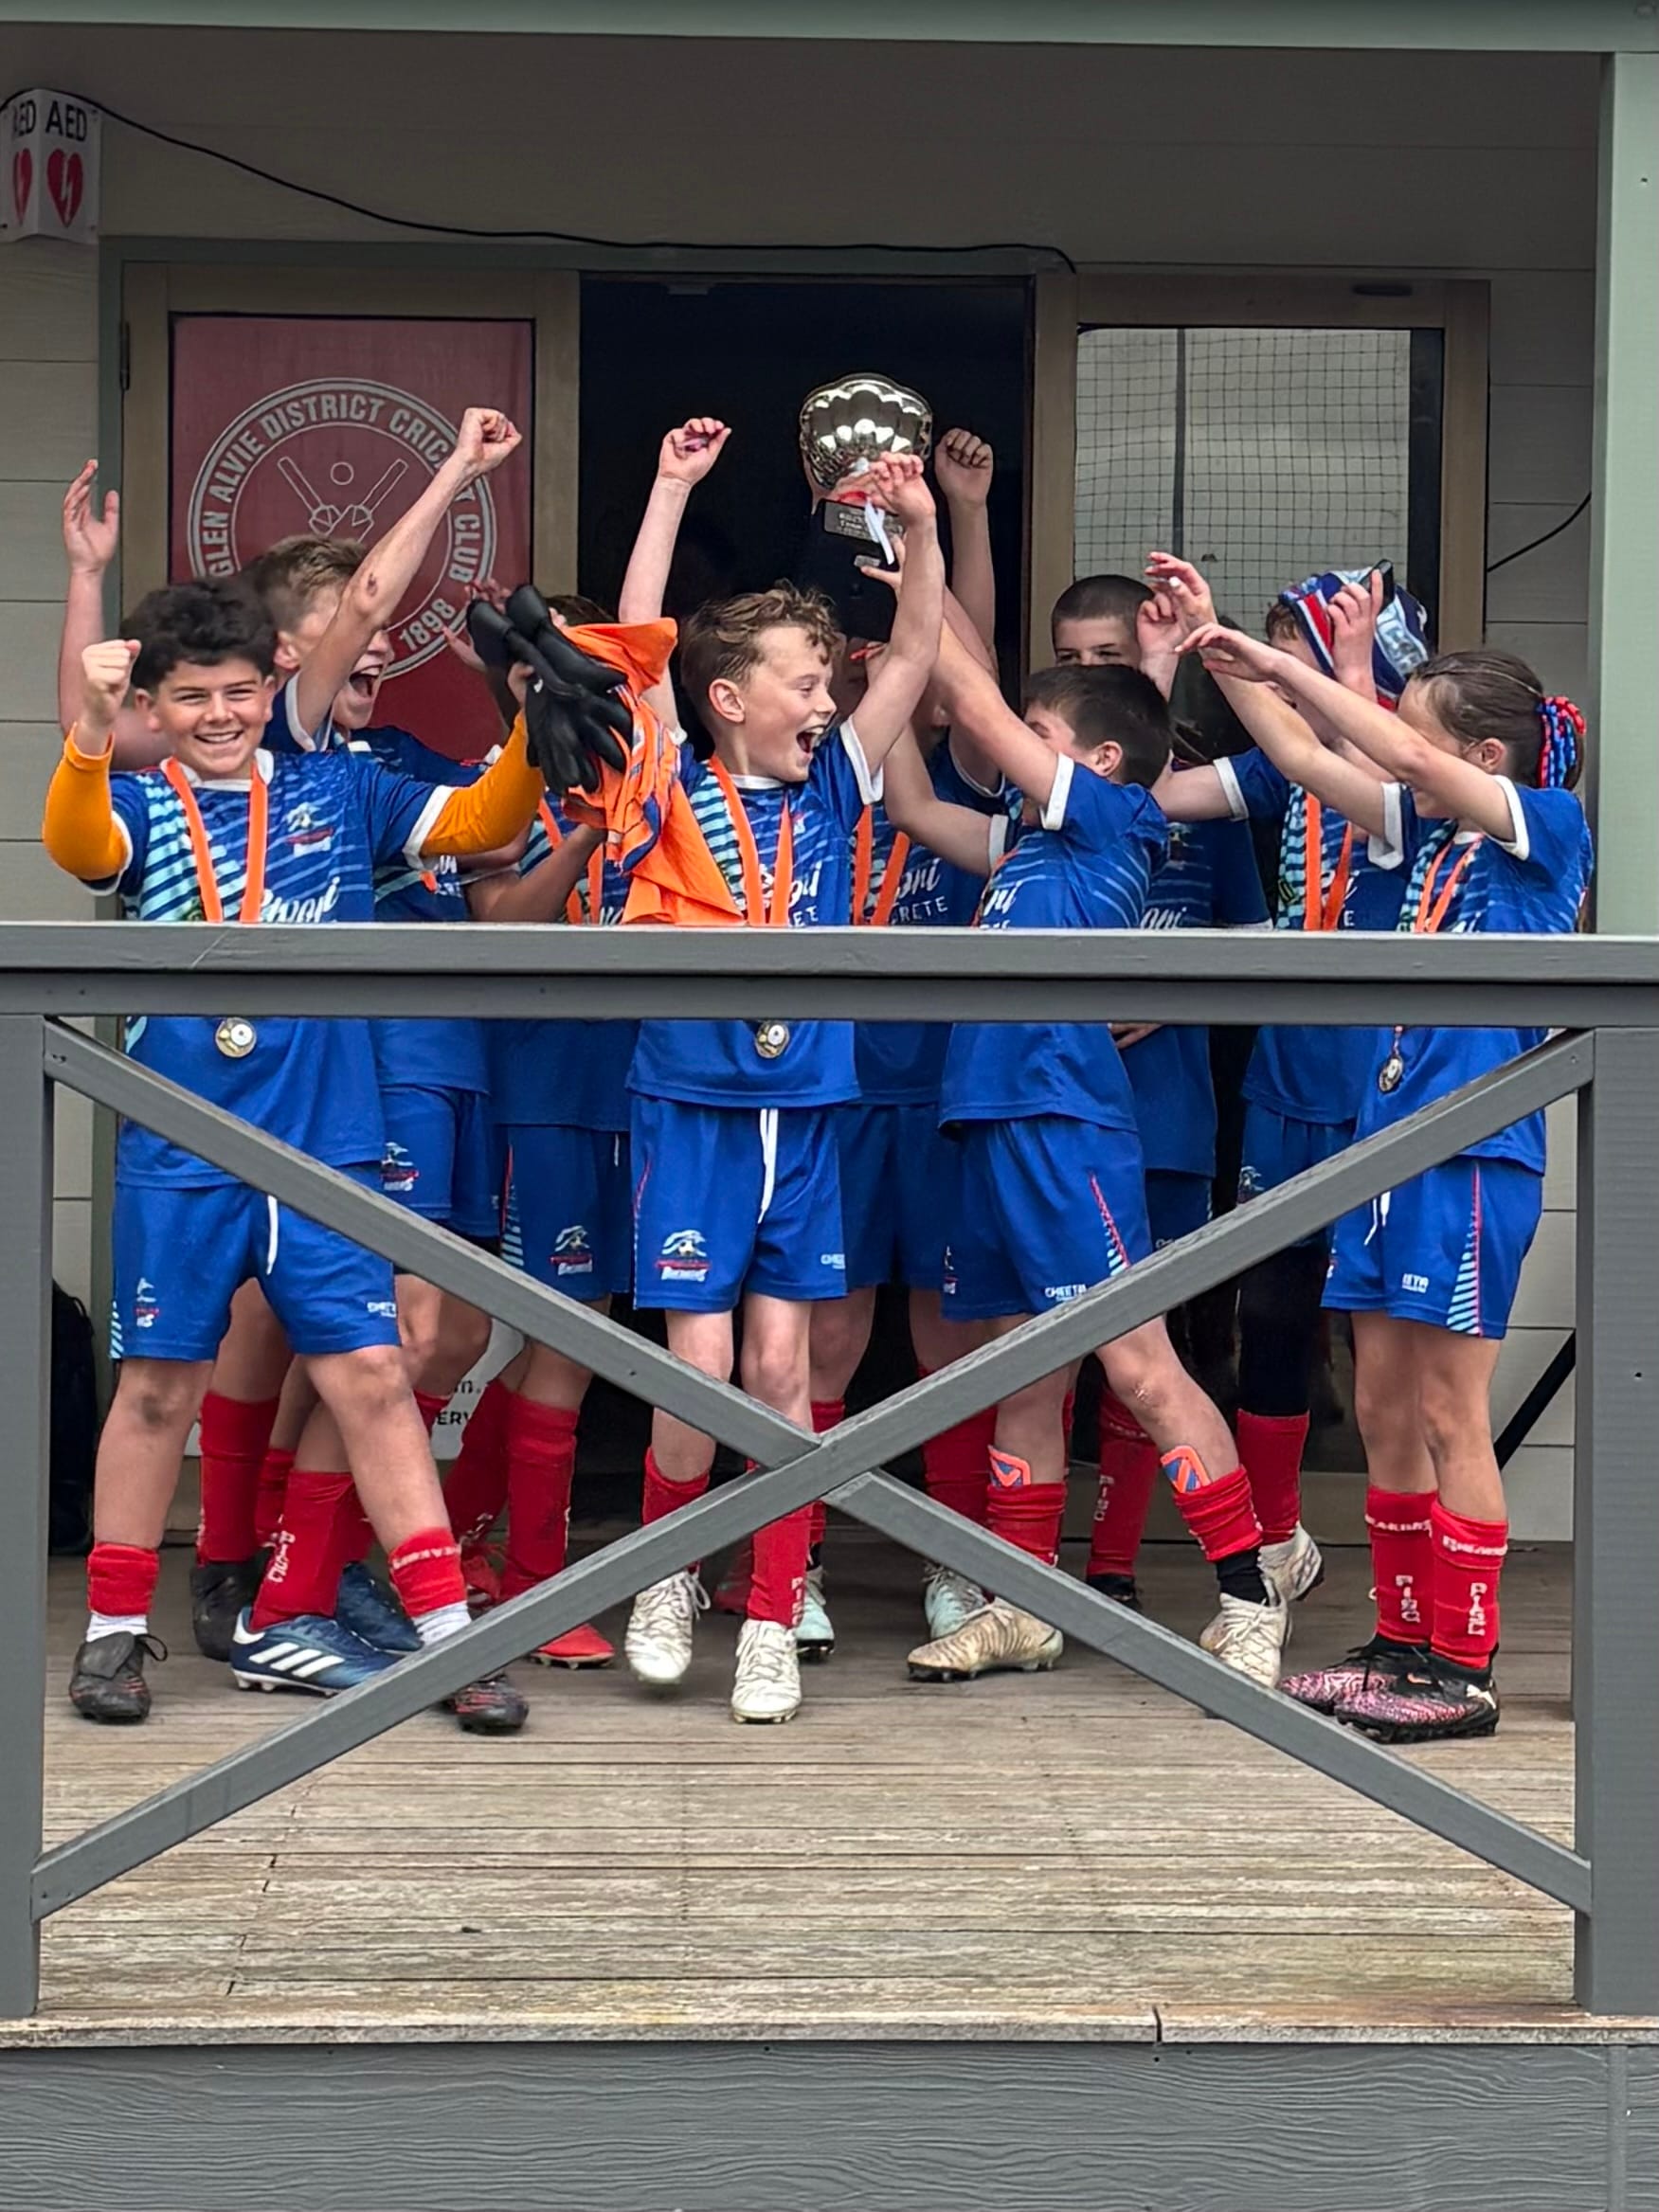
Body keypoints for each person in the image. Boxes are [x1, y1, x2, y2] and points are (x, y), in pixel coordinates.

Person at [45, 567, 548, 1732]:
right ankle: (115, 1632)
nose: (218, 716)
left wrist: (529, 730)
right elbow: (75, 849)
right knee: (160, 1387)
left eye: (236, 692)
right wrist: (83, 729)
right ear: (153, 712)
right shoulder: (149, 798)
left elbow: (481, 825)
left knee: (373, 1378)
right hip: (183, 1145)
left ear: (273, 683)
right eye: (189, 699)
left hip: (327, 1146)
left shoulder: (339, 788)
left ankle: (445, 1639)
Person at [1181, 620, 1591, 1742]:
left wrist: (1289, 667)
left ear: (1484, 759)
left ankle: (1462, 1661)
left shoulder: (1542, 830)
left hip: (1468, 1155)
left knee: (1450, 1407)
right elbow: (1316, 765)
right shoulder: (1431, 838)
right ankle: (1399, 1639)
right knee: (1375, 1404)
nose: (1391, 750)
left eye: (1414, 730)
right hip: (1384, 1152)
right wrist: (1232, 667)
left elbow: (1399, 759)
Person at [595, 435, 947, 1724]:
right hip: (689, 1103)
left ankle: (767, 1602)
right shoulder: (663, 782)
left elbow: (909, 659)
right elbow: (641, 645)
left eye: (825, 681)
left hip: (802, 1114)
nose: (824, 698)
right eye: (803, 680)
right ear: (728, 696)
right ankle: (667, 1572)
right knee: (694, 1364)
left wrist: (913, 533)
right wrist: (670, 488)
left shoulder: (837, 795)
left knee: (782, 1367)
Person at [884, 627, 1290, 1688]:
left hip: (1065, 1120)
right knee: (1021, 1370)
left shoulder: (1112, 815)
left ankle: (1249, 1596)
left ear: (1096, 762)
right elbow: (943, 763)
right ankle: (1021, 1602)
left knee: (1141, 1367)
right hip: (985, 1117)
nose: (1017, 745)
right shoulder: (1027, 845)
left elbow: (973, 709)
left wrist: (922, 579)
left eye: (1042, 734)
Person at [1146, 557, 1418, 1633]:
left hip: (1389, 1083)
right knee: (1272, 1305)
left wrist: (1328, 665)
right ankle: (1271, 1542)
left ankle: (1412, 1609)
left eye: (1292, 648)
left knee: (1375, 1330)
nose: (1278, 670)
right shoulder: (1278, 771)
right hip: (1285, 1075)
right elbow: (1163, 793)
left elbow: (1329, 738)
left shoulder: (1422, 769)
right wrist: (1167, 672)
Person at [1082, 770, 1269, 1611]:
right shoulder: (1040, 806)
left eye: (1108, 657)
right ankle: (1003, 1572)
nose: (1095, 668)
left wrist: (1172, 983)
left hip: (1171, 1119)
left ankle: (1112, 1566)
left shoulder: (1209, 817)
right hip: (1058, 1111)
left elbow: (1265, 960)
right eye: (1075, 658)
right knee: (1031, 1351)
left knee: (1147, 1348)